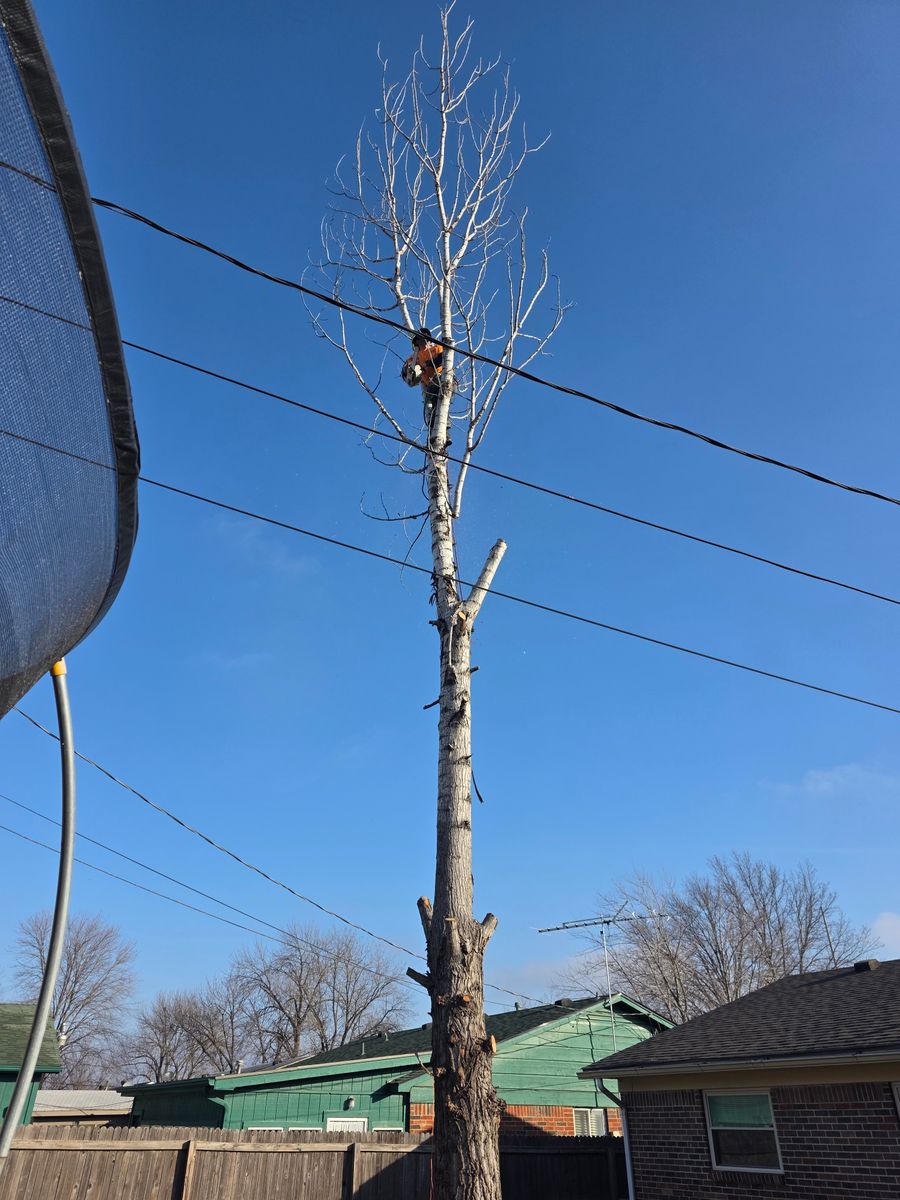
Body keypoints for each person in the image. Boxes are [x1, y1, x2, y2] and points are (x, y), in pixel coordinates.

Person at [401, 327, 444, 431]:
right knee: (431, 406)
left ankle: (444, 428)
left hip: (440, 378)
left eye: (424, 339)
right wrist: (409, 371)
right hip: (429, 385)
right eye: (419, 340)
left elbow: (441, 359)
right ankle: (434, 429)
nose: (422, 342)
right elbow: (404, 371)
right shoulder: (415, 357)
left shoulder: (437, 348)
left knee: (441, 405)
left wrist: (427, 364)